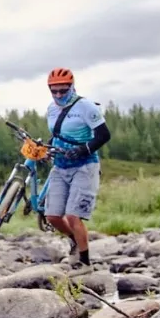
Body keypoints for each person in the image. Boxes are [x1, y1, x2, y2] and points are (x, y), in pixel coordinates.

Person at [43, 67, 111, 267]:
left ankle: (85, 262)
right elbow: (57, 134)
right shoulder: (51, 109)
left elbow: (104, 135)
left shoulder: (86, 107)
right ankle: (74, 239)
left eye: (63, 91)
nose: (58, 95)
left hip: (84, 166)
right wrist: (48, 149)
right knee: (53, 216)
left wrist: (84, 149)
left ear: (72, 87)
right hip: (60, 166)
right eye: (54, 91)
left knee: (73, 215)